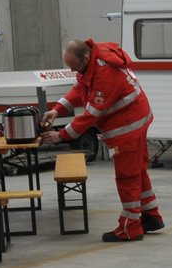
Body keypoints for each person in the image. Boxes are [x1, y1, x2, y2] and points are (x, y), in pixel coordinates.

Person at [40, 39, 162, 242]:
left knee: (127, 176)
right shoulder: (95, 58)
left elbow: (91, 115)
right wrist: (57, 109)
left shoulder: (105, 74)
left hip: (127, 126)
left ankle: (131, 226)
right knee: (138, 170)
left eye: (75, 67)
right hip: (137, 118)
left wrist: (61, 135)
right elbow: (79, 88)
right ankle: (151, 215)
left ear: (85, 57)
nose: (74, 71)